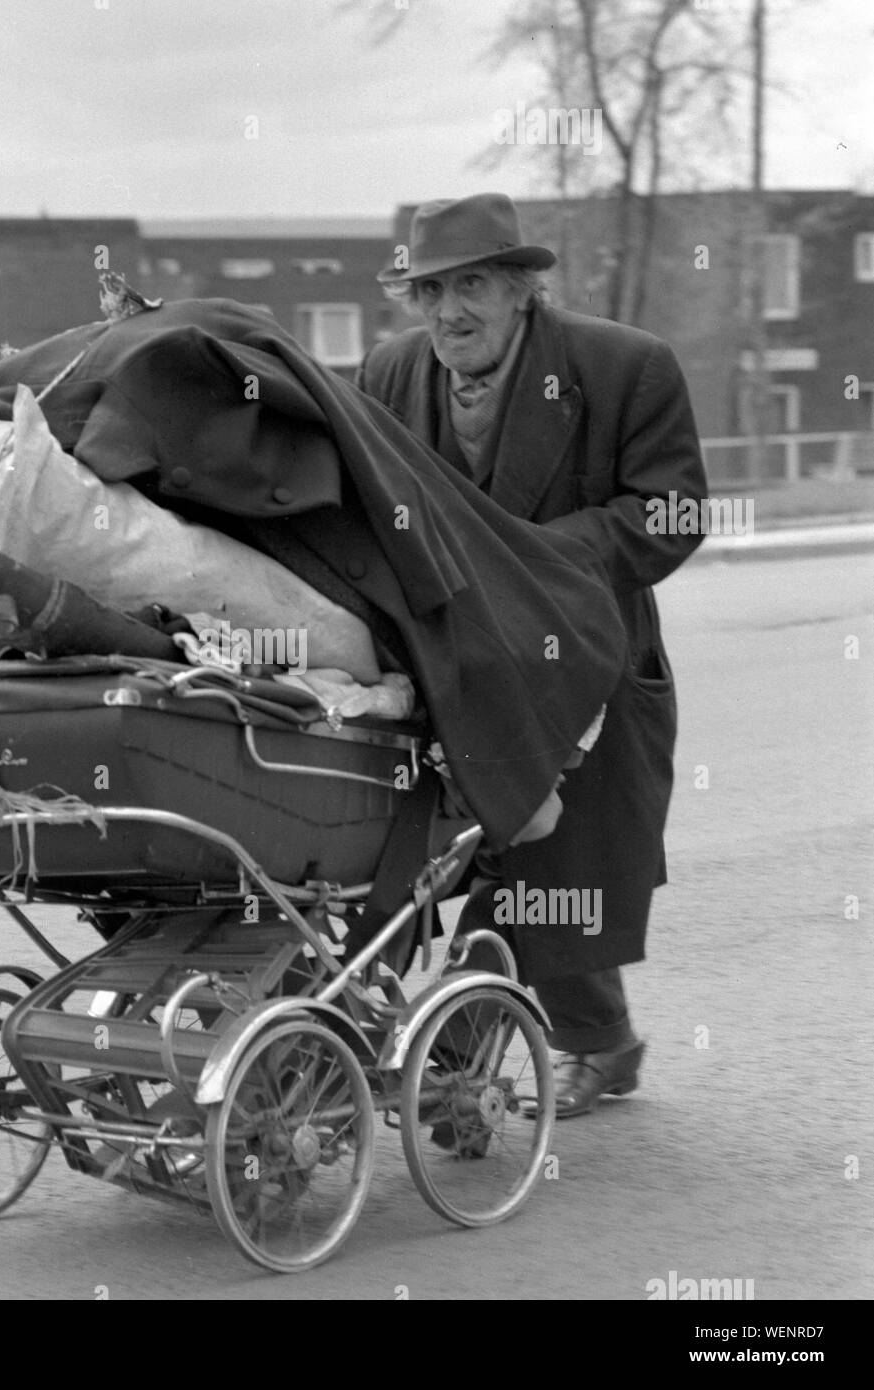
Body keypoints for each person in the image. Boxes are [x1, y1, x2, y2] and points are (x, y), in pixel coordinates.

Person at [357, 193, 708, 1117]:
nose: (447, 312)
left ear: (520, 289)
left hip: (583, 664)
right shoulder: (389, 375)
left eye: (469, 285)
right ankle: (594, 1042)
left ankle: (455, 1059)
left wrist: (539, 558)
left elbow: (670, 515)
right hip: (448, 668)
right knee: (448, 858)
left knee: (552, 863)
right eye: (428, 290)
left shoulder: (623, 367)